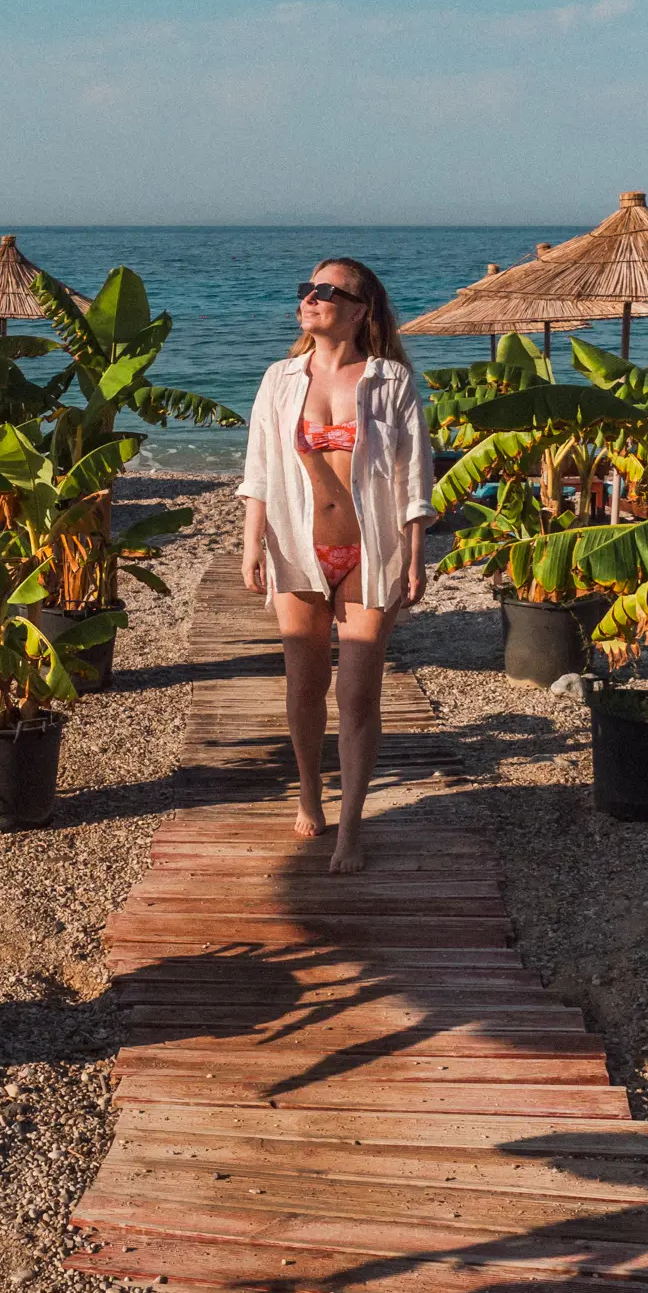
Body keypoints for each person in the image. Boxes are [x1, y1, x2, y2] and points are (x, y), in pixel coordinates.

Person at [238, 258, 436, 874]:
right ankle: (307, 792)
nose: (312, 298)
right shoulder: (279, 377)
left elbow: (413, 474)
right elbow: (261, 467)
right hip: (296, 546)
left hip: (371, 553)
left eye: (328, 291)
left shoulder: (390, 381)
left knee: (357, 695)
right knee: (303, 688)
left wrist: (414, 554)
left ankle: (351, 826)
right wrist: (251, 545)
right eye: (308, 289)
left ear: (359, 310)